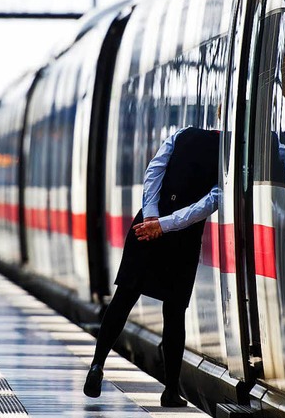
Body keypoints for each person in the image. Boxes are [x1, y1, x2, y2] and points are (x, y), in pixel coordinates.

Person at [83, 126, 220, 407]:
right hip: (182, 237)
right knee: (173, 312)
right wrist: (166, 225)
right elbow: (210, 202)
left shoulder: (182, 135)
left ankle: (97, 364)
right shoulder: (229, 157)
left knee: (123, 298)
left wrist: (153, 218)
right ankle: (170, 390)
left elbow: (153, 172)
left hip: (146, 227)